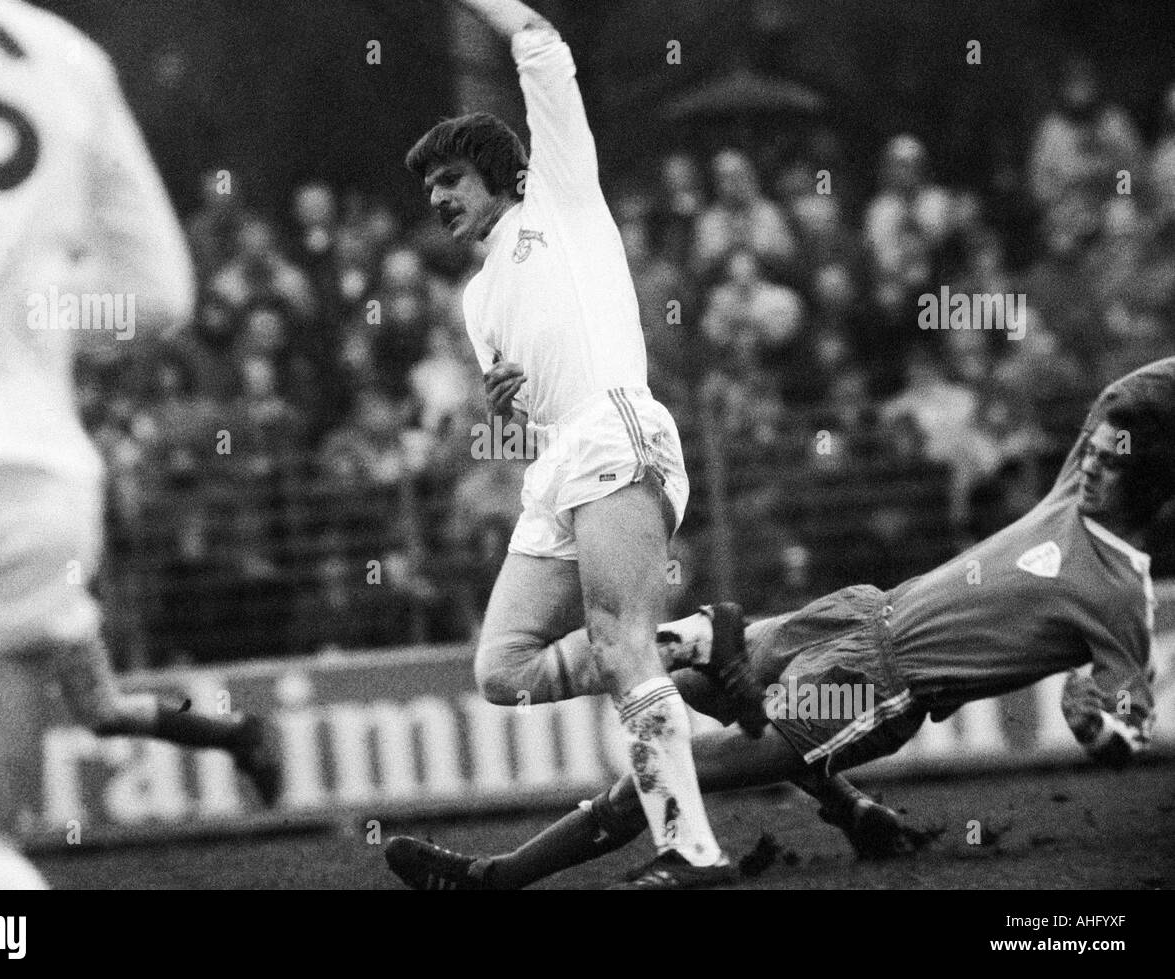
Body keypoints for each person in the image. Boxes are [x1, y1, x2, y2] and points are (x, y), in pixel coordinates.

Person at [387, 357, 1174, 889]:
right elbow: (1121, 396)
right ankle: (855, 808)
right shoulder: (1076, 487)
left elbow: (1129, 721)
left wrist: (1104, 727)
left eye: (1113, 459)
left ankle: (495, 877)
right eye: (1095, 451)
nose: (1095, 460)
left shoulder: (1119, 594)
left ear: (1151, 479)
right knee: (693, 685)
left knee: (676, 764)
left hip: (878, 687)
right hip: (858, 612)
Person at [0, 0, 277, 890]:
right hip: (27, 493)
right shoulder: (69, 59)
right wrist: (33, 318)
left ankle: (236, 738)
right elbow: (160, 293)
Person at [403, 0, 731, 886]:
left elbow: (538, 38)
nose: (436, 199)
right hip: (556, 466)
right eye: (428, 189)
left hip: (615, 429)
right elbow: (520, 416)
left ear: (500, 176)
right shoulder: (476, 301)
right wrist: (506, 410)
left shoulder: (560, 193)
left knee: (617, 642)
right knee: (501, 669)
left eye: (449, 181)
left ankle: (691, 851)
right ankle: (691, 647)